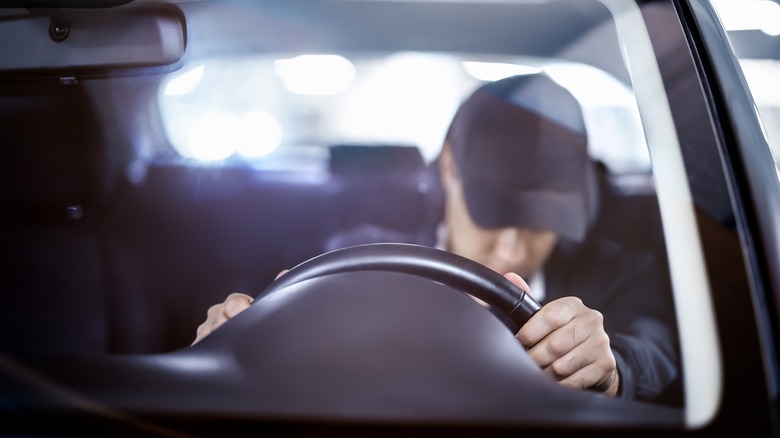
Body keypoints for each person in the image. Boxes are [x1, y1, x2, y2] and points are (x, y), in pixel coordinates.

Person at [192, 73, 681, 405]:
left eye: (539, 220)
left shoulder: (620, 272)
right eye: (493, 213)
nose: (511, 247)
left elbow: (656, 353)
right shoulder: (358, 258)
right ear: (450, 168)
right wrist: (235, 342)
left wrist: (611, 369)